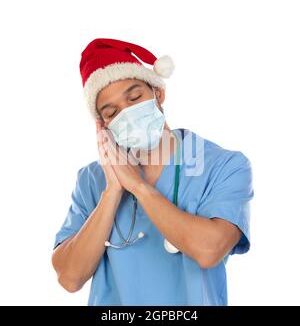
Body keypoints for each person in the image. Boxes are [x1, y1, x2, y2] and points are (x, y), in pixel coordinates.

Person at [51, 38, 254, 306]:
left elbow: (209, 250)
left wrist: (138, 186)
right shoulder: (92, 179)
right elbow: (69, 277)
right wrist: (112, 191)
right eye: (112, 112)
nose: (127, 114)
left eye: (134, 98)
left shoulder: (224, 165)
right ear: (104, 126)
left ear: (158, 93)